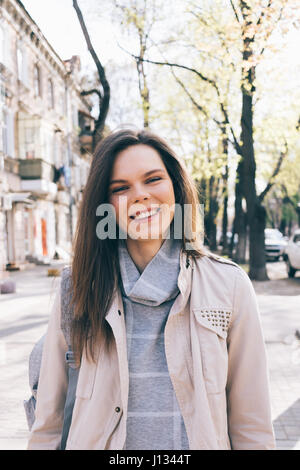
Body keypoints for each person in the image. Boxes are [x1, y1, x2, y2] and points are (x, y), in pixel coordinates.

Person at [27, 128, 276, 450]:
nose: (140, 194)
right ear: (105, 205)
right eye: (120, 188)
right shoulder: (77, 287)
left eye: (153, 179)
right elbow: (49, 422)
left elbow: (252, 426)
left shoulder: (228, 285)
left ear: (176, 186)